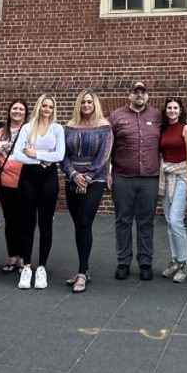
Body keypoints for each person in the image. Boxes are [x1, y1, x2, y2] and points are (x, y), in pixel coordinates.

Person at [109, 80, 162, 281]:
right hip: (123, 176)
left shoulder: (157, 116)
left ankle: (146, 262)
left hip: (149, 178)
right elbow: (108, 146)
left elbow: (176, 126)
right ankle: (123, 262)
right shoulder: (116, 116)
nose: (139, 95)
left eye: (143, 92)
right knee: (123, 221)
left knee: (146, 222)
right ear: (129, 94)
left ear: (147, 95)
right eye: (136, 92)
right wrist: (107, 172)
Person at [12, 94, 65, 290]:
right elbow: (18, 155)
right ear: (38, 107)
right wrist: (42, 159)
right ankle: (26, 267)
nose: (47, 109)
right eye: (44, 105)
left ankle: (41, 267)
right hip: (28, 178)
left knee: (45, 223)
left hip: (48, 179)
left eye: (50, 106)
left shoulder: (57, 129)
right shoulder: (27, 127)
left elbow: (60, 155)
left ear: (53, 109)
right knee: (27, 223)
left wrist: (36, 154)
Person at [62, 89, 113, 292]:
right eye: (83, 102)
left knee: (85, 221)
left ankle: (82, 273)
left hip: (95, 180)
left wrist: (88, 177)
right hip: (72, 178)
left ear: (95, 104)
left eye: (90, 102)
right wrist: (74, 174)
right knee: (78, 225)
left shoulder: (104, 127)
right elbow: (62, 155)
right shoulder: (69, 126)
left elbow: (104, 155)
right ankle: (84, 267)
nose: (86, 105)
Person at [158, 98, 187, 283]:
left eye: (175, 108)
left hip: (181, 176)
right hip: (165, 176)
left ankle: (184, 263)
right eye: (169, 108)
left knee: (176, 220)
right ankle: (175, 260)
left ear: (180, 111)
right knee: (168, 221)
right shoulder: (162, 129)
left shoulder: (186, 129)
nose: (172, 111)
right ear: (165, 111)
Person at [0, 100, 28, 274]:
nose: (17, 111)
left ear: (25, 113)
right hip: (5, 182)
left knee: (23, 220)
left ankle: (23, 256)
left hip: (24, 181)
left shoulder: (29, 130)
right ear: (9, 111)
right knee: (10, 219)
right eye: (14, 108)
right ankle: (12, 255)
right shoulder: (0, 132)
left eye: (21, 109)